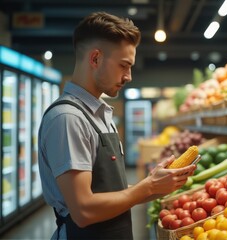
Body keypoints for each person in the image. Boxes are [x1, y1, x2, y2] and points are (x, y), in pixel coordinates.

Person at [38, 11, 196, 240]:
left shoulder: (101, 114)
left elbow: (111, 193)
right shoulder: (68, 118)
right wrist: (149, 187)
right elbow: (83, 210)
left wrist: (156, 183)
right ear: (95, 59)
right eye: (124, 65)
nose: (129, 76)